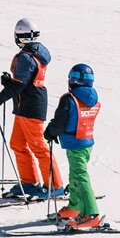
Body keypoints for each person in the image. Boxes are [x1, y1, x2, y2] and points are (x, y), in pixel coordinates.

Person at [0, 19, 64, 199]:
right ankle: (29, 182)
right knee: (18, 144)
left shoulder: (26, 57)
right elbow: (23, 81)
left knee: (38, 146)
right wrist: (9, 83)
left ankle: (55, 185)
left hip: (31, 106)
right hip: (24, 106)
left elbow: (19, 85)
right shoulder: (33, 54)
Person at [44, 64, 101, 228]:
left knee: (80, 177)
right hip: (86, 142)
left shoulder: (69, 98)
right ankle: (75, 207)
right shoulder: (93, 98)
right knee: (75, 175)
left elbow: (61, 120)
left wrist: (50, 132)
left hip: (75, 143)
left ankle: (91, 214)